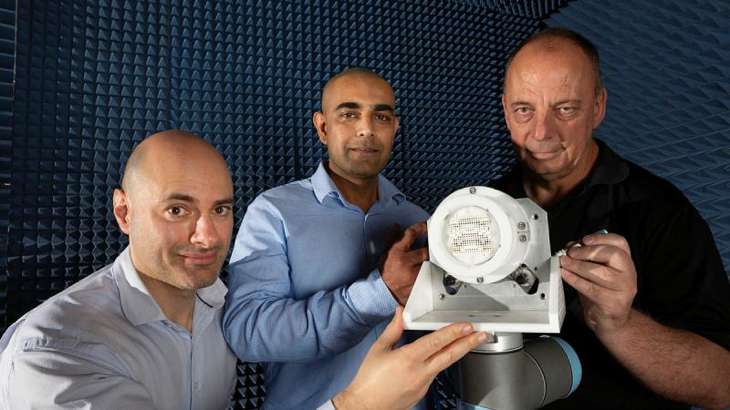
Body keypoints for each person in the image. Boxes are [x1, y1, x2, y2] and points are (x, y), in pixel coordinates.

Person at [0, 130, 487, 409]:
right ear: (124, 213)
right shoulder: (56, 351)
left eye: (221, 210)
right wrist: (354, 405)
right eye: (177, 210)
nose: (207, 237)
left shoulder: (217, 309)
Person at [492, 27, 730, 409]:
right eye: (524, 110)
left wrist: (618, 323)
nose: (541, 133)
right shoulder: (477, 209)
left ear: (598, 108)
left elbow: (722, 384)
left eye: (565, 109)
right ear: (506, 111)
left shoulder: (660, 211)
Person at [223, 68, 435, 409]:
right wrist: (379, 293)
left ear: (395, 128)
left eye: (380, 116)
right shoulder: (274, 212)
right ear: (323, 127)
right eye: (349, 114)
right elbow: (247, 331)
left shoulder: (419, 220)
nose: (366, 128)